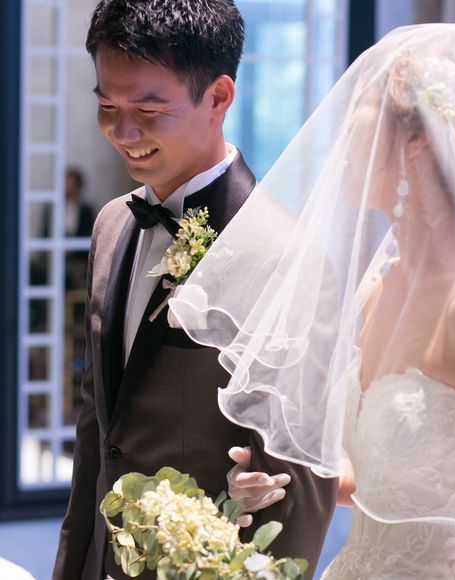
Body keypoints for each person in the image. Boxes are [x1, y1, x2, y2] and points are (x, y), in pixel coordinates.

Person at [170, 23, 455, 578]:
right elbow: (397, 486)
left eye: (362, 105)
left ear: (420, 141)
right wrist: (284, 481)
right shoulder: (382, 288)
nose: (342, 125)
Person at [52, 2, 336, 579]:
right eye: (107, 106)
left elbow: (303, 487)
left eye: (148, 110)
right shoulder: (111, 224)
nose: (123, 132)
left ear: (219, 97)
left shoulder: (284, 252)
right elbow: (98, 431)